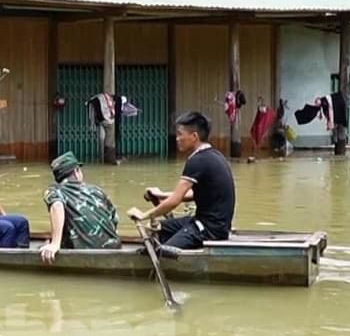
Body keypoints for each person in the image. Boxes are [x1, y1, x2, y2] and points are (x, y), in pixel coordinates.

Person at [129, 111, 235, 249]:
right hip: (214, 225)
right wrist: (161, 195)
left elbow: (174, 201)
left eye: (180, 134)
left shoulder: (197, 160)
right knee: (160, 228)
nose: (177, 138)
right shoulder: (214, 155)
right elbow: (194, 194)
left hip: (209, 230)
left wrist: (144, 216)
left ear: (194, 136)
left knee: (163, 251)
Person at [38, 151, 121, 264]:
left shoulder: (54, 190)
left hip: (87, 254)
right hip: (115, 249)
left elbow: (57, 205)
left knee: (44, 244)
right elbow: (114, 221)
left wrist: (55, 244)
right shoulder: (97, 190)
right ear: (76, 172)